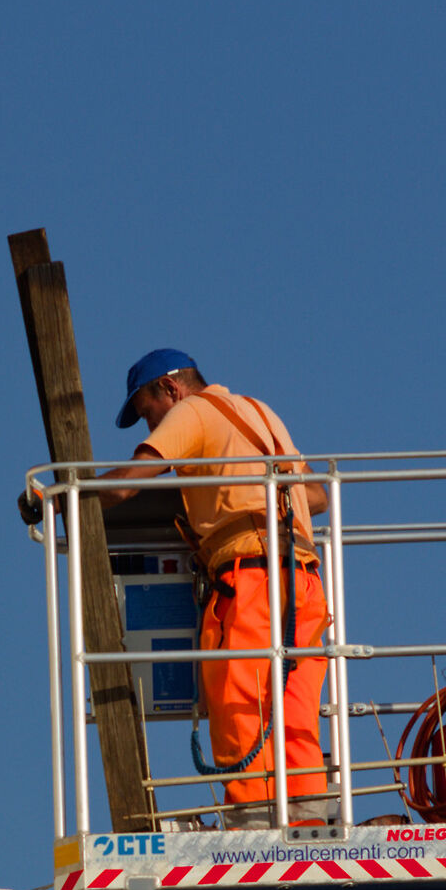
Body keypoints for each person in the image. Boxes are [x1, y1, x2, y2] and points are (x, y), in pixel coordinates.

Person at [97, 349, 332, 820]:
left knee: (240, 703)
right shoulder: (261, 412)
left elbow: (127, 482)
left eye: (147, 413)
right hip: (303, 579)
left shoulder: (192, 411)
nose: (151, 428)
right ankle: (309, 819)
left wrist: (62, 499)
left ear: (170, 388)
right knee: (295, 710)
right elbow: (317, 496)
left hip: (250, 579)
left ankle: (253, 823)